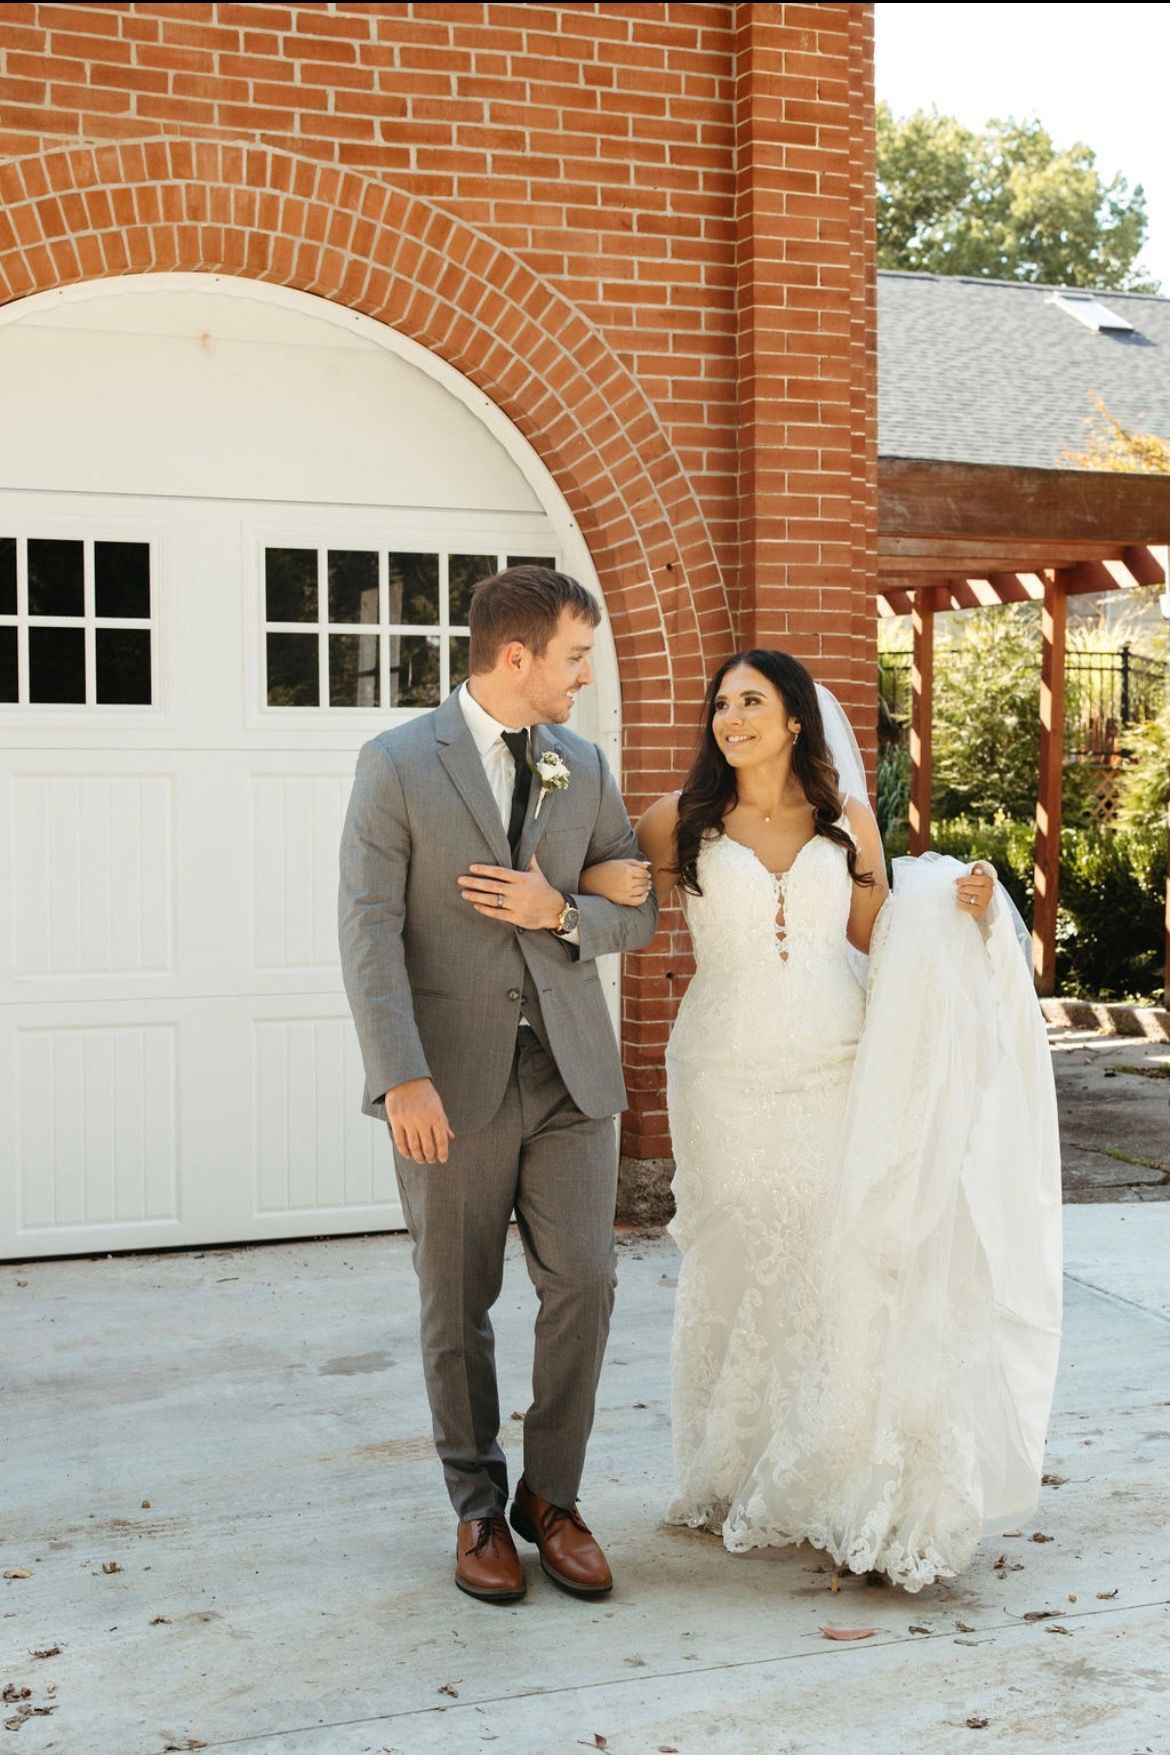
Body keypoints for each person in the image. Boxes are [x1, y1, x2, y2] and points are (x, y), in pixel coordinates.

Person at [580, 648, 1062, 1590]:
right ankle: (736, 1463)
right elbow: (622, 893)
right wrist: (580, 890)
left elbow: (876, 933)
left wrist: (961, 904)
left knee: (833, 1258)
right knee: (741, 1257)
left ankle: (829, 1470)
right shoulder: (678, 818)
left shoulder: (843, 817)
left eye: (752, 701)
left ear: (795, 718)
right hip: (721, 1069)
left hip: (832, 1063)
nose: (732, 717)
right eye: (722, 703)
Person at [339, 565, 658, 1605]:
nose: (585, 677)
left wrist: (557, 910)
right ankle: (477, 1506)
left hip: (570, 1072)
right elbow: (369, 935)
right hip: (449, 1080)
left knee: (588, 1287)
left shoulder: (586, 762)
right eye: (575, 658)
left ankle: (550, 1499)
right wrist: (402, 1080)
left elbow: (637, 912)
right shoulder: (395, 765)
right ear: (515, 657)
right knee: (456, 1300)